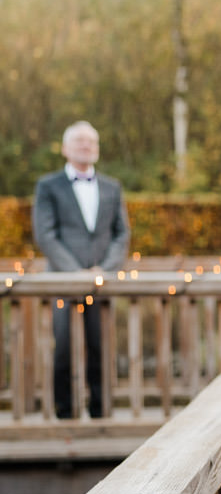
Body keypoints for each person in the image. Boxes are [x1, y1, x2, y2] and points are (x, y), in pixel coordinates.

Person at [32, 121, 131, 419]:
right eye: (79, 141)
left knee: (100, 349)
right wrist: (75, 272)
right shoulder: (48, 186)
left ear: (97, 148)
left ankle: (100, 413)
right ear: (65, 148)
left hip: (101, 284)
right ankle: (65, 415)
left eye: (91, 141)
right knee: (63, 349)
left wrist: (104, 269)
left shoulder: (113, 187)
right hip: (62, 282)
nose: (86, 145)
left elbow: (121, 234)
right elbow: (45, 235)